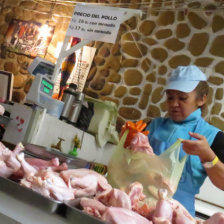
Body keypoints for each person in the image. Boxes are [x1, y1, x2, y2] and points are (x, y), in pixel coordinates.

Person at [146, 65, 224, 217]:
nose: (174, 104)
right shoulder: (152, 125)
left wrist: (208, 156)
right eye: (170, 97)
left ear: (202, 99)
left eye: (182, 98)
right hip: (140, 206)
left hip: (178, 216)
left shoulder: (213, 137)